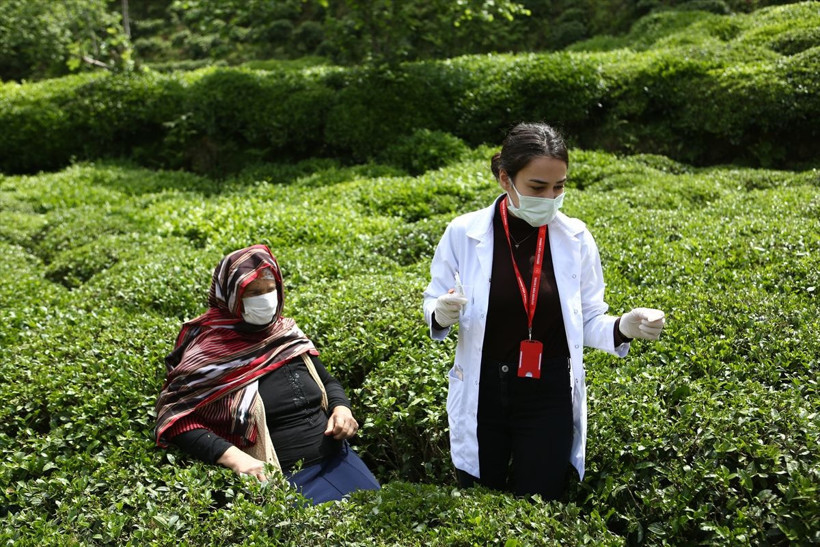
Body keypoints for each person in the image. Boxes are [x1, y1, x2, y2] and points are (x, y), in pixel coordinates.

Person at [423, 122, 666, 500]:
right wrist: (440, 312)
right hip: (483, 386)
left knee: (542, 502)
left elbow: (585, 320)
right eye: (538, 187)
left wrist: (623, 327)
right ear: (505, 178)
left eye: (559, 187)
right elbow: (433, 300)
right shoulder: (462, 233)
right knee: (477, 500)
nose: (550, 198)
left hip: (547, 390)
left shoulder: (576, 237)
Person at [154, 244, 379, 504]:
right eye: (253, 292)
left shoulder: (286, 334)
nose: (266, 298)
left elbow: (327, 382)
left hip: (340, 459)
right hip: (284, 475)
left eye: (271, 289)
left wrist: (342, 409)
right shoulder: (209, 351)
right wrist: (235, 458)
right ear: (230, 296)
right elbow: (177, 418)